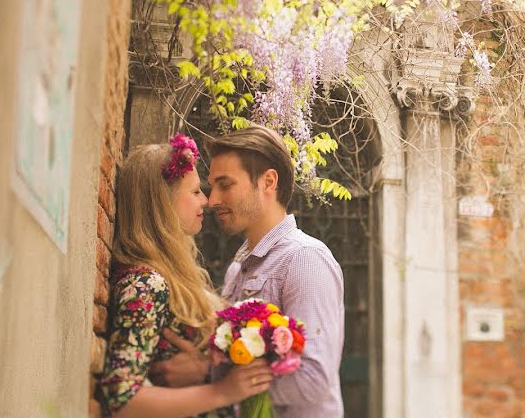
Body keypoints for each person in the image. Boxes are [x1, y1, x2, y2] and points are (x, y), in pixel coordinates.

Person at [150, 126, 345, 418]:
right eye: (212, 186)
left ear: (268, 182)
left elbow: (312, 380)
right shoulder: (237, 268)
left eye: (225, 185)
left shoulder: (304, 260)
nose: (212, 199)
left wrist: (209, 372)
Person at [98, 135, 274, 418]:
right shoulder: (145, 284)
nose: (206, 201)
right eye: (195, 192)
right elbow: (121, 402)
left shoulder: (170, 277)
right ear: (163, 202)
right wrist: (223, 391)